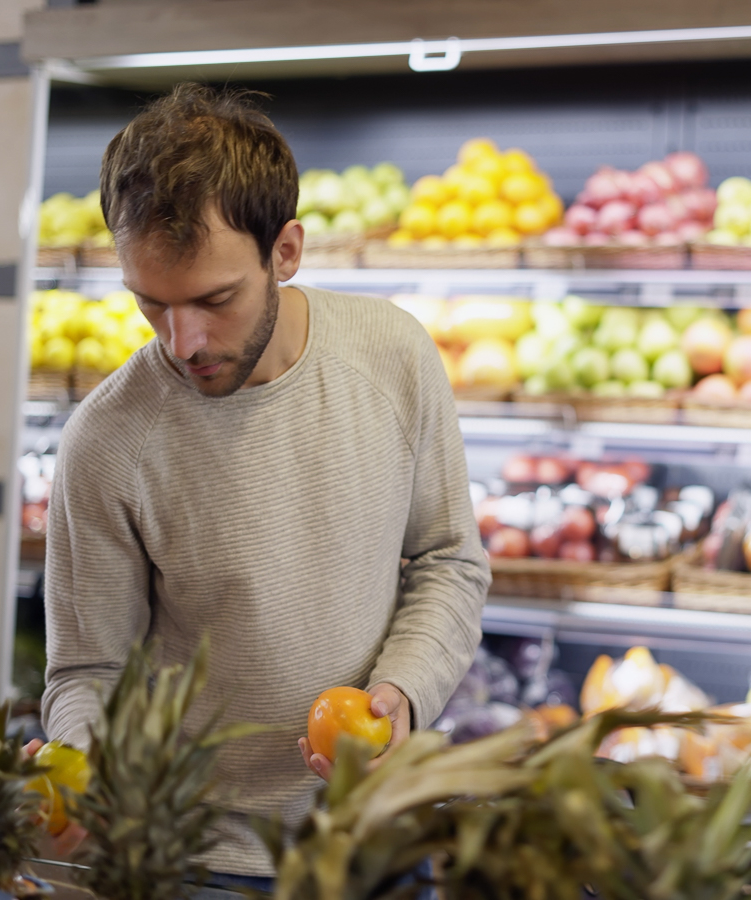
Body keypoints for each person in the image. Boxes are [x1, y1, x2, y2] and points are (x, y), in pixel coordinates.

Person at [34, 84, 490, 882]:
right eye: (151, 304)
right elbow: (87, 670)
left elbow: (449, 559)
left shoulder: (393, 356)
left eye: (216, 299)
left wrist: (404, 695)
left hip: (383, 837)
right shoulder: (107, 441)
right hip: (199, 862)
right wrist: (80, 761)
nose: (185, 341)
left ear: (285, 251)